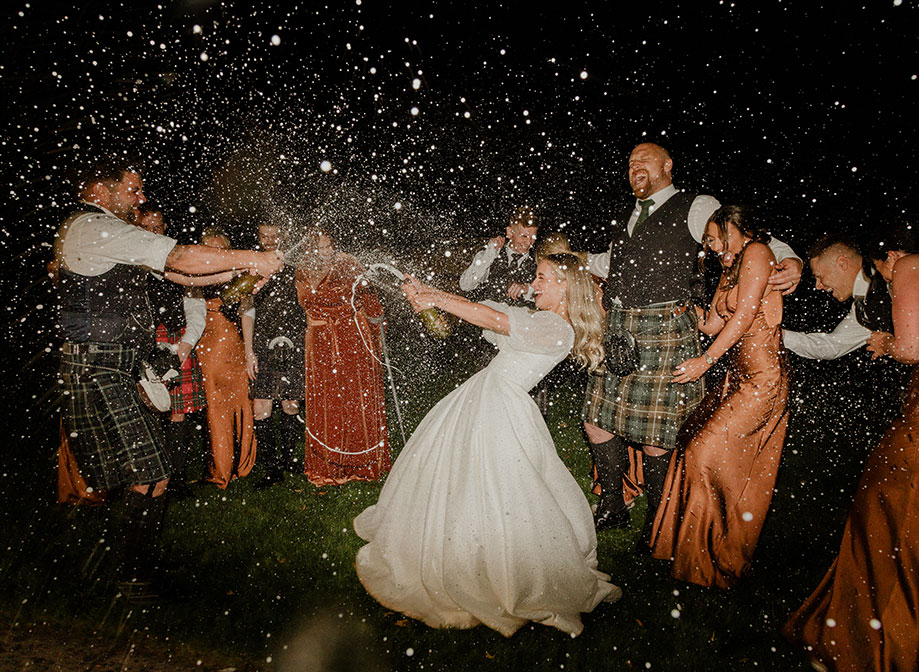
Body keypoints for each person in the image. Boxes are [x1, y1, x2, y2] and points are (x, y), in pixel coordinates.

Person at [354, 253, 621, 637]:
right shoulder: (540, 321)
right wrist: (429, 293)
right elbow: (487, 313)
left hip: (501, 405)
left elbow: (496, 320)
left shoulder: (556, 328)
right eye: (538, 276)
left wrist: (437, 300)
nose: (537, 283)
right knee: (467, 475)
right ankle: (464, 545)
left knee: (497, 483)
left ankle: (488, 564)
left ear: (566, 285)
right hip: (487, 396)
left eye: (545, 277)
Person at [54, 157, 283, 592]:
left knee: (151, 472)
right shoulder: (93, 227)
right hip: (96, 366)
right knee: (148, 472)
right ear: (101, 191)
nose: (140, 198)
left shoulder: (106, 232)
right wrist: (253, 257)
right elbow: (180, 255)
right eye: (133, 189)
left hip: (113, 365)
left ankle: (132, 567)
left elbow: (177, 272)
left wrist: (242, 271)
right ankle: (129, 574)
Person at [583, 143, 802, 539]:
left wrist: (790, 259)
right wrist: (573, 260)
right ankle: (613, 504)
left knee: (656, 434)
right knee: (596, 419)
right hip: (618, 328)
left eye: (644, 161)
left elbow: (744, 237)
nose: (635, 168)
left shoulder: (695, 206)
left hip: (663, 328)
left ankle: (657, 518)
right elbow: (610, 261)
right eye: (630, 162)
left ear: (668, 165)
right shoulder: (627, 214)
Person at [784, 225, 919, 672]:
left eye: (822, 277)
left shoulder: (901, 271)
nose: (819, 287)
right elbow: (828, 347)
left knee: (888, 505)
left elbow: (909, 346)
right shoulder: (864, 305)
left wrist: (891, 345)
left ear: (846, 262)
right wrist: (771, 333)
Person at [648, 205, 789, 588]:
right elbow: (713, 322)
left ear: (732, 229)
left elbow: (744, 315)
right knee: (697, 449)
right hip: (738, 377)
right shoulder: (730, 268)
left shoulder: (759, 252)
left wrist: (705, 361)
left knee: (704, 454)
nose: (709, 247)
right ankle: (701, 550)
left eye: (713, 238)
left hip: (763, 378)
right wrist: (680, 307)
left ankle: (714, 556)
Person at [295, 228, 389, 486]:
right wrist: (338, 304)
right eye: (320, 248)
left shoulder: (349, 262)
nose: (325, 253)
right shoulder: (303, 268)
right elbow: (306, 302)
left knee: (357, 397)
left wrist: (376, 321)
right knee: (328, 401)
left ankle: (364, 461)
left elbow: (368, 295)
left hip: (353, 337)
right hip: (323, 340)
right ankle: (330, 466)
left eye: (329, 246)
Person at [136, 204, 208, 498]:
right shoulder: (130, 267)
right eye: (148, 227)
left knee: (178, 413)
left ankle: (176, 480)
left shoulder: (179, 266)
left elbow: (196, 309)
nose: (155, 233)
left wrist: (184, 346)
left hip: (179, 341)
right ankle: (149, 476)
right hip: (143, 345)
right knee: (147, 413)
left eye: (159, 227)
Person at [241, 222, 308, 488]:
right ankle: (271, 469)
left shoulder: (298, 269)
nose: (268, 241)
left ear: (285, 235)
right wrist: (249, 351)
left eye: (273, 235)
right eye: (263, 236)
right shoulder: (253, 267)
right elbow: (247, 310)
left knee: (291, 405)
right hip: (262, 344)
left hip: (294, 344)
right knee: (261, 408)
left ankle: (288, 460)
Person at [195, 228, 259, 489]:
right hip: (207, 343)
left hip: (233, 342)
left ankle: (242, 463)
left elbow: (248, 311)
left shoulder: (240, 274)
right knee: (215, 405)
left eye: (221, 248)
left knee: (241, 401)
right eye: (210, 248)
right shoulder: (196, 273)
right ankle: (221, 468)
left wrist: (248, 350)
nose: (216, 254)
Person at [784, 232, 895, 358]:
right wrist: (779, 336)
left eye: (819, 277)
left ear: (842, 263)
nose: (817, 286)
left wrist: (888, 344)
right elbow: (833, 346)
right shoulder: (863, 307)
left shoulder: (891, 275)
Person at [459, 205, 539, 305]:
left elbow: (550, 295)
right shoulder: (490, 254)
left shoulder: (539, 261)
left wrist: (528, 289)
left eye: (533, 237)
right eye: (524, 236)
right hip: (486, 317)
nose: (528, 242)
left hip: (523, 319)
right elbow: (465, 285)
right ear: (510, 232)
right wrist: (489, 255)